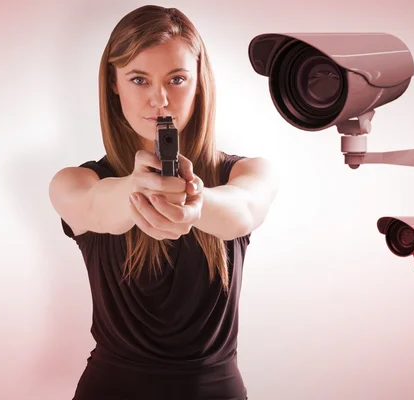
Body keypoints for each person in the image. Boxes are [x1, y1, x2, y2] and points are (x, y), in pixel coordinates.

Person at [49, 5, 279, 400]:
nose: (159, 99)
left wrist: (196, 201)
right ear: (114, 84)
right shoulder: (74, 181)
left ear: (199, 83)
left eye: (176, 79)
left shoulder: (249, 173)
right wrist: (136, 190)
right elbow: (95, 207)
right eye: (139, 79)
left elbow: (243, 210)